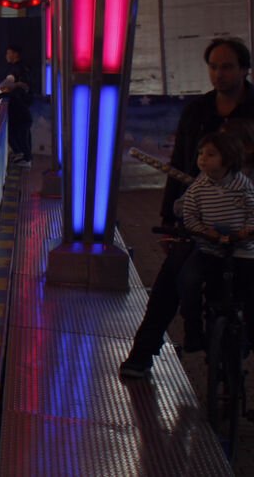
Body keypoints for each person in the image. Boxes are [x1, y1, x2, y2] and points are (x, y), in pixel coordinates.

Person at [120, 37, 254, 378]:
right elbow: (180, 164)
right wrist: (170, 218)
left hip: (246, 218)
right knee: (170, 283)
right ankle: (142, 356)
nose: (219, 74)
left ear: (244, 69)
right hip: (201, 217)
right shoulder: (197, 111)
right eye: (213, 67)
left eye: (227, 67)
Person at [174, 132, 254, 353]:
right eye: (201, 153)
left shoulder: (244, 186)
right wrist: (205, 232)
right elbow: (189, 216)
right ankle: (193, 329)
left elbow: (252, 212)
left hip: (242, 251)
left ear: (228, 159)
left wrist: (246, 231)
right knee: (187, 282)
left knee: (249, 290)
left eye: (210, 154)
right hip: (209, 249)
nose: (202, 158)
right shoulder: (198, 189)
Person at [0, 45, 33, 168]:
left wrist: (12, 85)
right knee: (17, 132)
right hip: (21, 106)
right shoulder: (22, 68)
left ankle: (26, 157)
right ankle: (21, 154)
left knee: (19, 132)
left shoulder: (16, 69)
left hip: (20, 107)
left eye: (9, 53)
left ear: (15, 54)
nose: (6, 56)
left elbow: (5, 84)